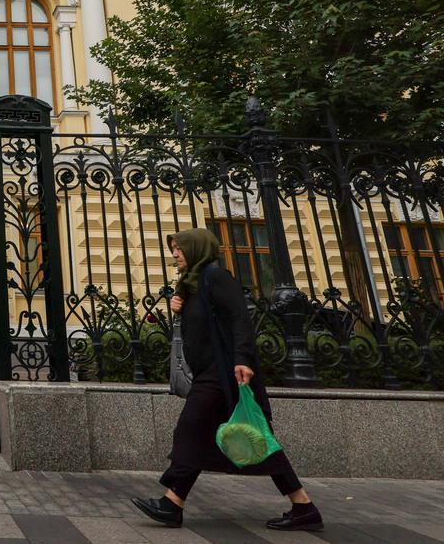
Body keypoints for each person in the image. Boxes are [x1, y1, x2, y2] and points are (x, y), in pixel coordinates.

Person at [131, 228, 324, 532]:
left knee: (190, 430)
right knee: (254, 439)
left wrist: (242, 359)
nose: (175, 254)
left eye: (179, 248)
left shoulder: (216, 277)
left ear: (197, 249)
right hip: (210, 373)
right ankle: (303, 506)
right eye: (173, 249)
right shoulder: (191, 283)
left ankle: (172, 503)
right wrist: (179, 307)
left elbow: (239, 319)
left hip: (223, 374)